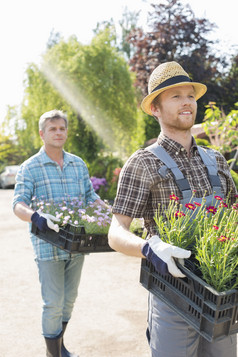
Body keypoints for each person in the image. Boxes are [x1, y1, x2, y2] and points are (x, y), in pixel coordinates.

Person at [108, 61, 238, 357]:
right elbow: (116, 232)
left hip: (222, 295)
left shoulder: (216, 160)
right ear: (155, 108)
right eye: (175, 96)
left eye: (190, 95)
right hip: (172, 296)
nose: (187, 102)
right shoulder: (142, 163)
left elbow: (234, 216)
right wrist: (150, 248)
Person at [13, 109, 102, 357]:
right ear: (42, 134)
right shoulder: (30, 167)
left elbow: (89, 197)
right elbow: (18, 203)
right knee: (53, 304)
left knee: (69, 301)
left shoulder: (78, 163)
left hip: (78, 245)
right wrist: (35, 216)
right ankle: (53, 354)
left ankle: (60, 346)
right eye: (52, 129)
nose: (58, 132)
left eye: (62, 128)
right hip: (48, 246)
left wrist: (111, 212)